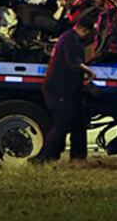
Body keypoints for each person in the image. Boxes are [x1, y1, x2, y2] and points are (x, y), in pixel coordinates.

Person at [37, 12, 97, 162]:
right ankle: (43, 157)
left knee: (78, 122)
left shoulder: (67, 37)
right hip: (60, 90)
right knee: (63, 123)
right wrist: (90, 72)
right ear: (85, 30)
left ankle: (78, 157)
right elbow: (73, 63)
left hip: (69, 90)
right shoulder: (71, 40)